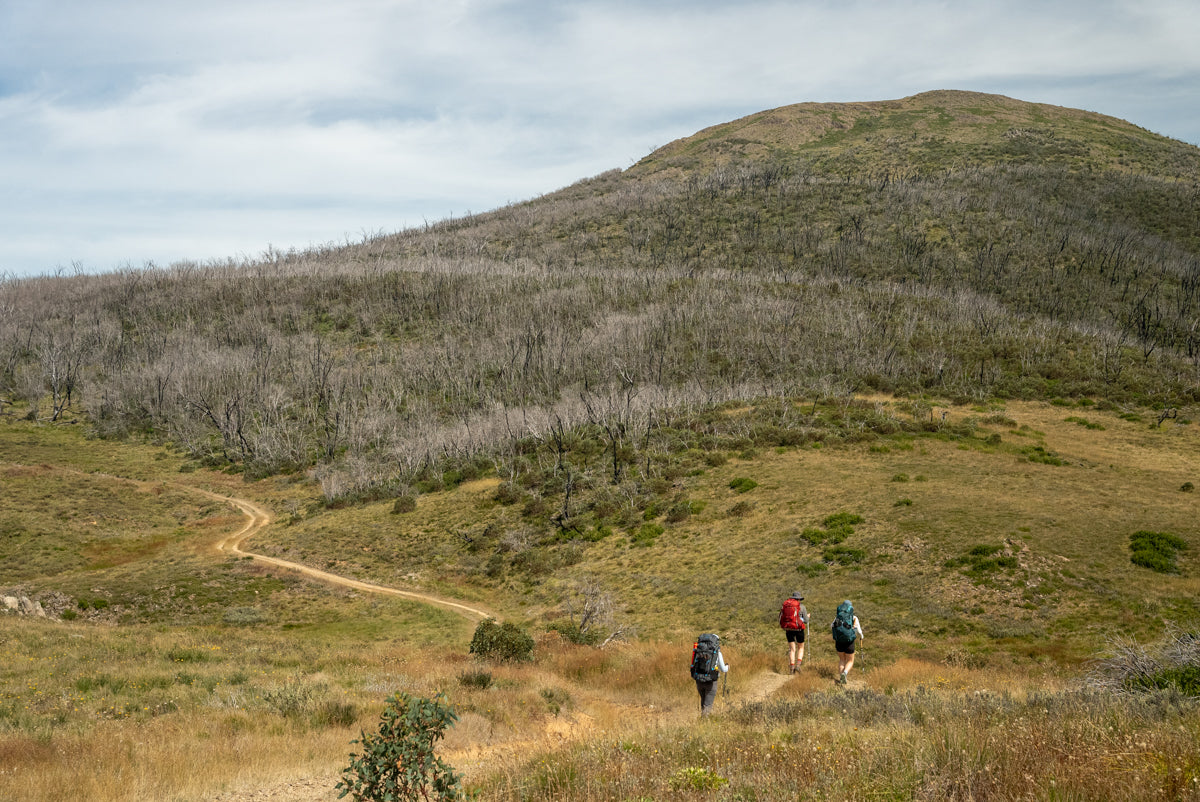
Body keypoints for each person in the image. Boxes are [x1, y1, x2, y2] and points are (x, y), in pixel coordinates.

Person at [690, 633, 730, 716]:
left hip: (699, 679)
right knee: (708, 705)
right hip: (711, 680)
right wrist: (727, 667)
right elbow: (723, 669)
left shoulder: (698, 650)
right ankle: (704, 724)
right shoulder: (716, 653)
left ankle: (701, 722)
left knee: (703, 701)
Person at [831, 600, 864, 685]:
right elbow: (859, 631)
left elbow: (831, 626)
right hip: (849, 642)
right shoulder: (854, 618)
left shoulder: (837, 617)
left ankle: (841, 678)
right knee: (850, 660)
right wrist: (861, 636)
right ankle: (844, 674)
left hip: (839, 641)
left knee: (842, 659)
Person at [779, 591, 810, 673]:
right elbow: (806, 621)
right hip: (799, 629)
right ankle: (798, 665)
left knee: (792, 649)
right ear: (799, 599)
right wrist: (807, 617)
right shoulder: (801, 607)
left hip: (788, 629)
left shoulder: (786, 606)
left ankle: (792, 668)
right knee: (801, 647)